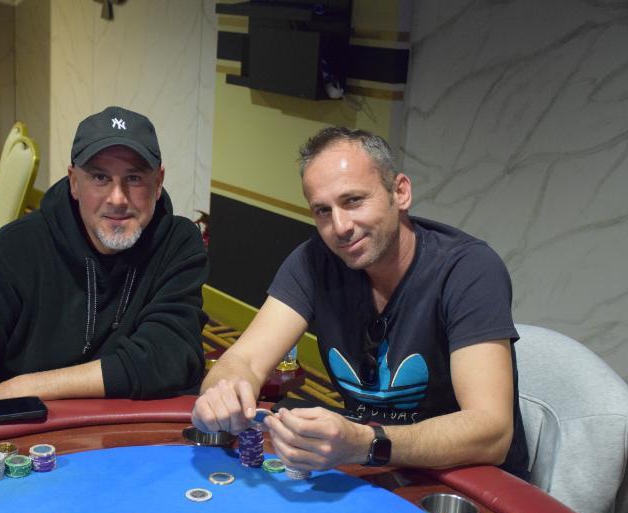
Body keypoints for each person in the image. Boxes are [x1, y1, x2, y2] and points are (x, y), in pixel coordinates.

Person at [0, 106, 209, 499]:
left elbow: (169, 356)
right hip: (10, 457)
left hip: (128, 451)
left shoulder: (178, 244)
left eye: (134, 178)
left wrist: (26, 385)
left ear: (158, 182)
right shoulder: (12, 250)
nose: (118, 198)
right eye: (100, 177)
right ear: (73, 182)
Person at [192, 126, 528, 479]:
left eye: (353, 200)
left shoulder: (468, 269)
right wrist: (222, 391)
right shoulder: (313, 261)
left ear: (400, 192)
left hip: (468, 479)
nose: (340, 227)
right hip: (373, 464)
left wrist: (366, 443)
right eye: (322, 211)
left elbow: (492, 432)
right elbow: (243, 360)